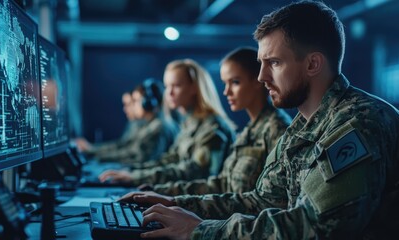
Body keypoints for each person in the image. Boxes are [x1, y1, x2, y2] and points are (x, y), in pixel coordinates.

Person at [121, 1, 399, 239]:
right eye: (261, 63)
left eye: (274, 63)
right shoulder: (301, 127)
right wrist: (175, 204)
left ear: (313, 64)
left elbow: (315, 227)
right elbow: (262, 200)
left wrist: (201, 230)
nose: (261, 77)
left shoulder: (358, 122)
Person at [142, 47, 291, 196]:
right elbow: (222, 184)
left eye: (235, 82)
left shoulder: (277, 130)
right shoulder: (250, 129)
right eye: (225, 83)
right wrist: (160, 193)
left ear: (258, 80)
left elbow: (268, 202)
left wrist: (172, 200)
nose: (226, 92)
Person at [99, 59, 236, 186]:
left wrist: (137, 177)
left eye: (176, 86)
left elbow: (195, 172)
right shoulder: (189, 123)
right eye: (167, 86)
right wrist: (132, 172)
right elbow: (171, 159)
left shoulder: (212, 127)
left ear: (194, 88)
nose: (169, 93)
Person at [73, 91, 141, 155]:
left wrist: (92, 151)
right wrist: (91, 148)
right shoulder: (133, 123)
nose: (125, 109)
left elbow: (129, 153)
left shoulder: (140, 124)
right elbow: (120, 144)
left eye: (130, 104)